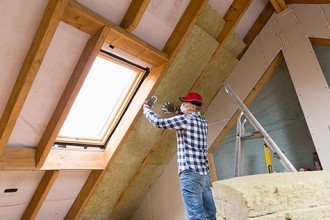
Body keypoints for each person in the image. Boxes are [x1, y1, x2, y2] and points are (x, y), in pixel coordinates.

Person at [143, 92, 217, 220]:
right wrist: (176, 110)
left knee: (195, 216)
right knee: (210, 213)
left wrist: (146, 108)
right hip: (203, 175)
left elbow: (159, 122)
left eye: (185, 103)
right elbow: (186, 121)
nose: (182, 104)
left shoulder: (185, 120)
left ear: (193, 107)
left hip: (190, 175)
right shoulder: (203, 122)